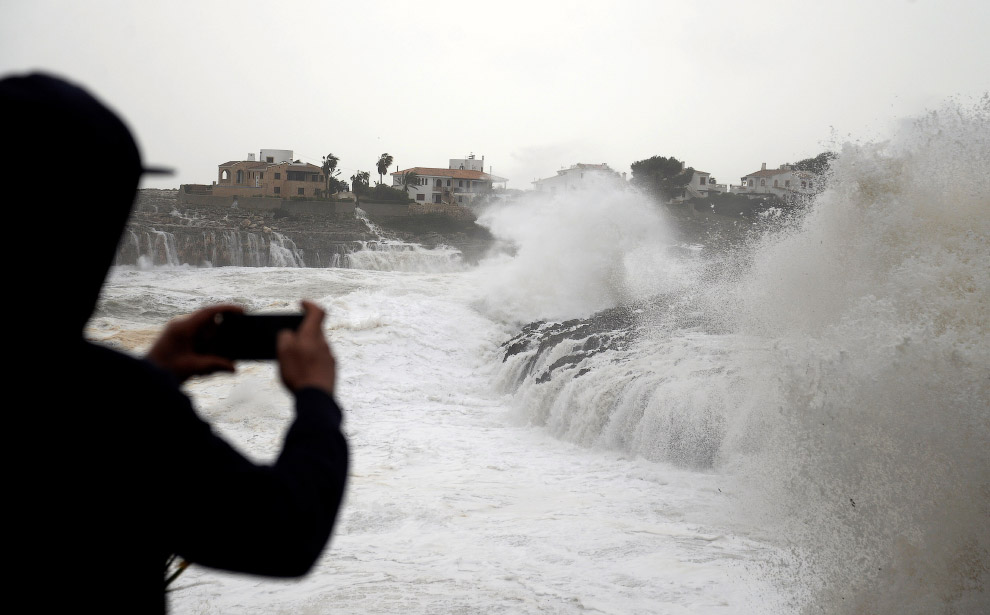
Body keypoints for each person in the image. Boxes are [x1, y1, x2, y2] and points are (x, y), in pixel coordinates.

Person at [2, 73, 348, 612]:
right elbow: (285, 532)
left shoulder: (116, 396)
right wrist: (316, 398)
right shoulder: (106, 401)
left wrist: (154, 374)